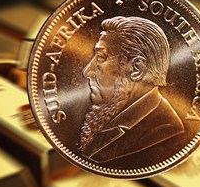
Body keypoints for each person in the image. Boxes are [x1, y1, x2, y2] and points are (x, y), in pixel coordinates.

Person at [79, 16, 184, 163]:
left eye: (101, 57)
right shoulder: (113, 114)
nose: (87, 71)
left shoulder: (164, 131)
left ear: (137, 69)